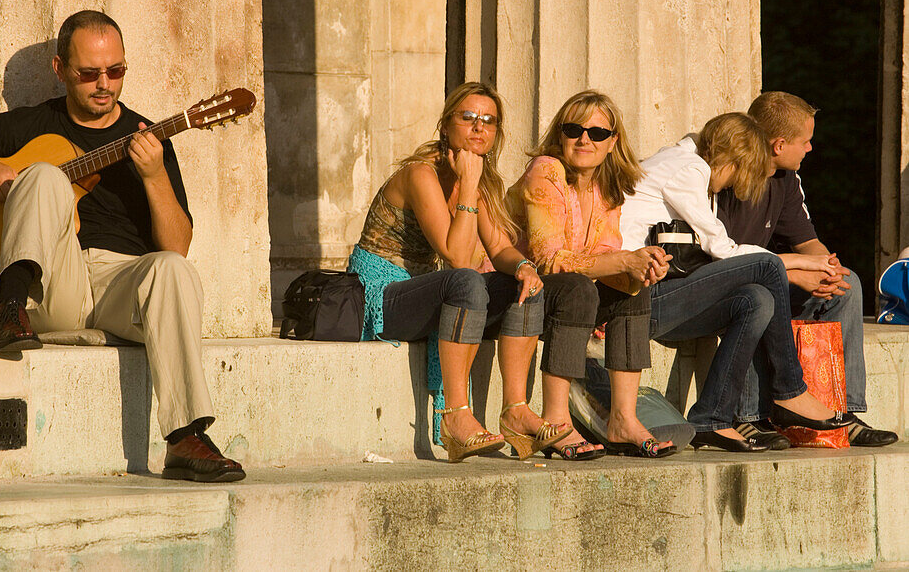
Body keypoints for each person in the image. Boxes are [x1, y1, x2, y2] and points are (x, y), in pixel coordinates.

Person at [0, 10, 245, 483]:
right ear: (60, 70)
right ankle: (10, 307)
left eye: (115, 71)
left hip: (122, 285)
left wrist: (154, 174)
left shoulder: (146, 137)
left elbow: (176, 247)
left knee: (174, 270)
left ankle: (185, 436)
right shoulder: (31, 124)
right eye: (89, 73)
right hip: (51, 287)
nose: (104, 84)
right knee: (42, 173)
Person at [347, 82, 576, 463]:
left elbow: (499, 248)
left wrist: (522, 267)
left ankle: (516, 410)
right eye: (467, 118)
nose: (478, 128)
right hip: (381, 295)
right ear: (445, 124)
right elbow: (456, 256)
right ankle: (455, 415)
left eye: (488, 121)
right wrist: (468, 185)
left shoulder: (478, 181)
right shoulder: (421, 174)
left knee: (524, 285)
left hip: (427, 291)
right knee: (467, 280)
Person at [619, 112, 851, 451]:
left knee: (756, 300)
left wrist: (797, 269)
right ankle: (790, 390)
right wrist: (802, 262)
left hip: (657, 296)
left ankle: (711, 417)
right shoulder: (689, 168)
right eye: (739, 175)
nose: (731, 186)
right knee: (765, 268)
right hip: (635, 302)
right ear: (731, 160)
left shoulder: (687, 165)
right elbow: (723, 250)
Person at [717, 91, 898, 447]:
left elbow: (805, 241)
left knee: (848, 284)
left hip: (773, 273)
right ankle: (750, 416)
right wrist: (796, 272)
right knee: (760, 295)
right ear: (779, 144)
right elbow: (724, 259)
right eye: (806, 141)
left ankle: (841, 412)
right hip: (730, 285)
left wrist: (827, 268)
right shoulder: (727, 177)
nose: (811, 149)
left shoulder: (785, 179)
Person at [506, 90, 677, 459]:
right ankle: (556, 422)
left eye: (598, 133)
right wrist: (622, 263)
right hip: (513, 287)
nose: (585, 139)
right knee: (580, 290)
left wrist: (641, 266)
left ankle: (623, 420)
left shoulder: (607, 185)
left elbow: (603, 253)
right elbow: (548, 258)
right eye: (574, 129)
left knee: (635, 289)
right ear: (560, 135)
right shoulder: (546, 171)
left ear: (613, 142)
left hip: (560, 292)